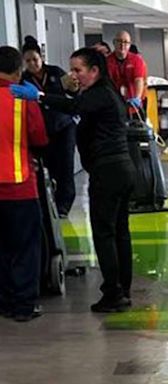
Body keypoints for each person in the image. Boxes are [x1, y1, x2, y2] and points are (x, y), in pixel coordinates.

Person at [11, 48, 137, 313]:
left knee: (105, 233)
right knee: (119, 232)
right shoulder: (105, 91)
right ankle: (122, 289)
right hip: (121, 170)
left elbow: (77, 106)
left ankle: (114, 293)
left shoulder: (100, 93)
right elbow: (80, 102)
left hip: (108, 171)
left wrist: (41, 96)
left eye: (79, 70)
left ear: (95, 71)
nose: (74, 76)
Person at [0, 46, 48, 322]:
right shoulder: (22, 97)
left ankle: (4, 301)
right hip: (19, 186)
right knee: (24, 249)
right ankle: (23, 305)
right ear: (19, 71)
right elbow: (39, 137)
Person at [21, 36, 77, 218]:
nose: (32, 64)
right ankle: (48, 202)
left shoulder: (55, 72)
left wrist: (74, 87)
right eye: (28, 61)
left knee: (65, 166)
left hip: (63, 127)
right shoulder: (24, 80)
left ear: (41, 57)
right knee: (48, 167)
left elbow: (72, 92)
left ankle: (64, 206)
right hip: (41, 131)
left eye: (35, 59)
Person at [106, 31, 147, 113]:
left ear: (129, 44)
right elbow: (106, 82)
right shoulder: (107, 61)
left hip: (134, 104)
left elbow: (138, 80)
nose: (122, 45)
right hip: (114, 104)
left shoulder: (136, 60)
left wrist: (137, 98)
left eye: (126, 42)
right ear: (114, 42)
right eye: (119, 41)